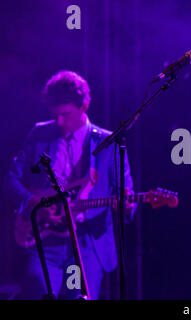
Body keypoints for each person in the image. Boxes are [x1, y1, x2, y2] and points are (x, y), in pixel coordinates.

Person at [5, 70, 136, 299]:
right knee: (36, 293)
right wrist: (32, 202)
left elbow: (126, 195)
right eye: (55, 114)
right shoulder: (40, 133)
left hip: (88, 244)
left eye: (65, 114)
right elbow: (11, 179)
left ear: (85, 105)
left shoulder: (109, 143)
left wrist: (127, 206)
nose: (59, 121)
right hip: (46, 243)